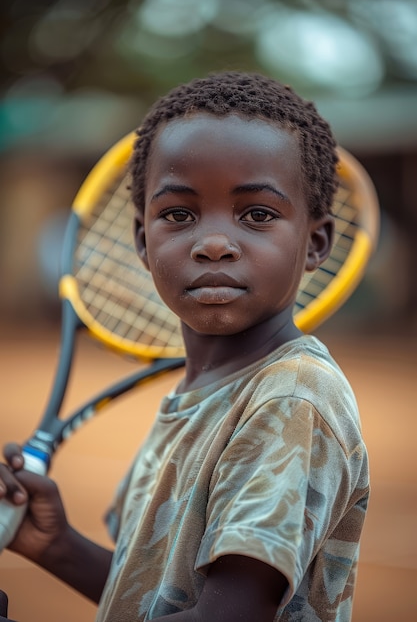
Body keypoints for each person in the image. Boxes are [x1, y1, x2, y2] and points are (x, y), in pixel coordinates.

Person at [0, 71, 369, 621]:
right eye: (178, 214)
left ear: (315, 242)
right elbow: (160, 599)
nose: (214, 242)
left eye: (258, 215)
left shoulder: (291, 398)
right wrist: (54, 545)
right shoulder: (203, 391)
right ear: (144, 241)